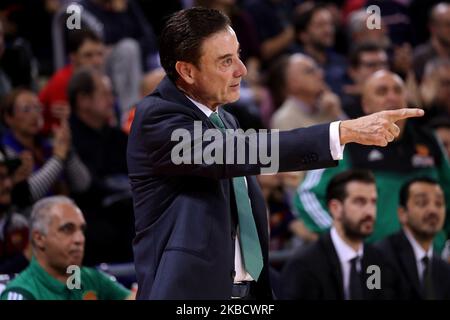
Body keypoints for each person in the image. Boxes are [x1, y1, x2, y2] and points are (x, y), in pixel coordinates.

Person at [127, 7, 424, 300]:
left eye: (239, 55)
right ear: (187, 71)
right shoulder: (157, 117)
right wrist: (341, 131)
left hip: (245, 293)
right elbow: (237, 152)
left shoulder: (226, 119)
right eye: (225, 61)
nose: (241, 70)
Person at [294, 70, 450, 250]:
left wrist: (444, 243)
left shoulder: (429, 140)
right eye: (382, 92)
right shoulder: (346, 142)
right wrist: (340, 238)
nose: (392, 97)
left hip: (429, 257)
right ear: (366, 106)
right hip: (373, 262)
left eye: (398, 90)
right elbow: (307, 195)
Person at [281, 169, 393, 300]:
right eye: (360, 201)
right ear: (335, 208)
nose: (370, 212)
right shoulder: (305, 264)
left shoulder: (375, 260)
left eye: (373, 202)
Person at [0, 196, 134, 300]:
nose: (79, 239)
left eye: (81, 230)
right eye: (67, 229)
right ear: (39, 238)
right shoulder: (21, 293)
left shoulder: (85, 277)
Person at [377, 177, 450, 299]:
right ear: (402, 213)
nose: (433, 210)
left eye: (439, 203)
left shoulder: (444, 269)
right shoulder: (378, 257)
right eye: (422, 203)